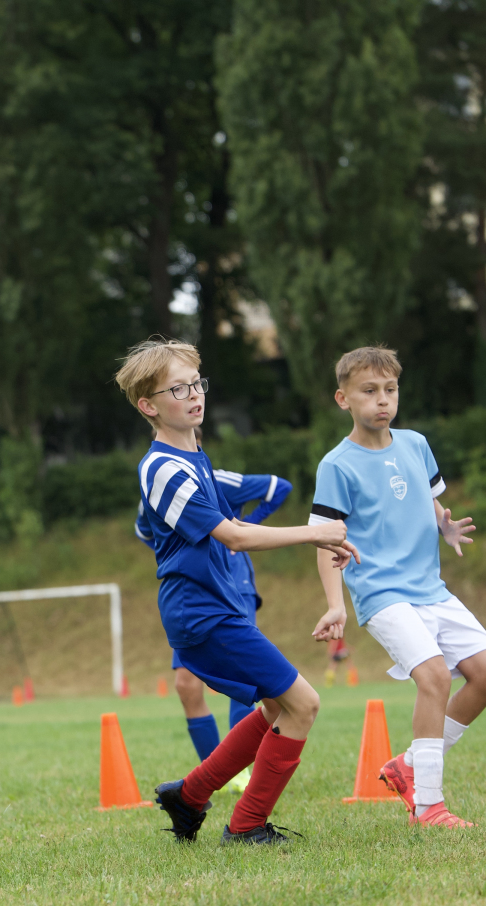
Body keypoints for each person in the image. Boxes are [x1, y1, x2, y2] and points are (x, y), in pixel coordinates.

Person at [121, 337, 359, 845]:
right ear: (147, 406)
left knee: (276, 706)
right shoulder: (162, 467)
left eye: (196, 384)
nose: (193, 394)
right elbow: (233, 536)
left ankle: (189, 795)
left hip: (216, 607)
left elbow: (234, 528)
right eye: (177, 388)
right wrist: (314, 532)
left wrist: (313, 534)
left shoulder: (195, 458)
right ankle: (247, 825)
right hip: (201, 614)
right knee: (303, 704)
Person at [312, 346, 486, 829]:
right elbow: (325, 539)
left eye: (390, 390)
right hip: (382, 593)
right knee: (435, 678)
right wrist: (336, 605)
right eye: (369, 391)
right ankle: (428, 808)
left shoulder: (416, 444)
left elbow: (427, 499)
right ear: (343, 399)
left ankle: (408, 766)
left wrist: (444, 525)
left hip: (431, 588)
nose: (382, 400)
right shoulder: (337, 465)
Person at [136, 452, 294, 762]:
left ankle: (243, 770)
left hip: (235, 587)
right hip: (194, 594)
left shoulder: (219, 479)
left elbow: (279, 488)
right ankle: (219, 773)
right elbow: (144, 529)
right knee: (186, 685)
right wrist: (181, 555)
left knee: (247, 682)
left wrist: (247, 528)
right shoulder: (160, 479)